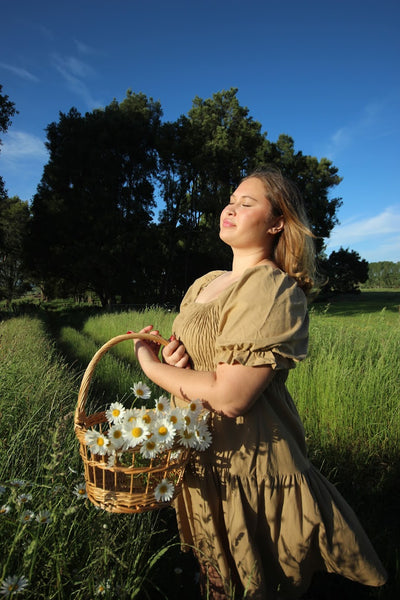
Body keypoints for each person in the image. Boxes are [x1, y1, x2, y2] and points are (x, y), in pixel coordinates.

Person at [133, 168, 387, 599]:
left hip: (250, 464)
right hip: (200, 459)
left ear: (277, 223)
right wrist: (177, 362)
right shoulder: (206, 284)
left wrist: (149, 365)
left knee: (257, 583)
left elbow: (231, 397)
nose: (231, 206)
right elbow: (203, 367)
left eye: (248, 203)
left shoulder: (272, 288)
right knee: (212, 576)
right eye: (232, 198)